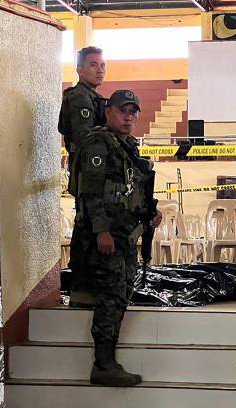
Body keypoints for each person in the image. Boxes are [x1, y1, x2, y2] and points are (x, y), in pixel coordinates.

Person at [67, 90, 162, 386]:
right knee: (111, 295)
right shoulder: (99, 143)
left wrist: (149, 213)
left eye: (133, 112)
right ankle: (103, 364)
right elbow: (91, 192)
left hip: (123, 234)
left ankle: (108, 361)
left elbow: (130, 190)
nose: (129, 117)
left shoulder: (126, 147)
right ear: (109, 111)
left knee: (121, 292)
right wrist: (102, 231)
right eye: (123, 111)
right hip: (105, 235)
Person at [58, 46, 107, 195]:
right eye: (93, 65)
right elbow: (85, 139)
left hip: (91, 169)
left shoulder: (92, 97)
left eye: (102, 65)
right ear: (80, 70)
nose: (100, 70)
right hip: (88, 171)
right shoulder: (81, 97)